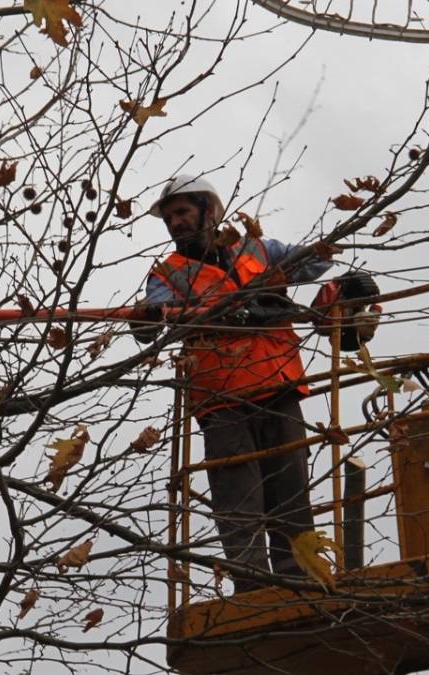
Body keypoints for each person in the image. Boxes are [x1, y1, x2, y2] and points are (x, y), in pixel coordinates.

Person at [134, 175, 337, 593]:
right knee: (239, 501)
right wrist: (150, 318)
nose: (175, 223)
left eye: (182, 212)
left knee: (291, 494)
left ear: (209, 211)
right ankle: (253, 589)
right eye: (169, 218)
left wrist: (321, 249)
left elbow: (315, 262)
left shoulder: (258, 249)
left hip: (278, 385)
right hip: (221, 398)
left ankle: (300, 582)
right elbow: (153, 317)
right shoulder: (167, 274)